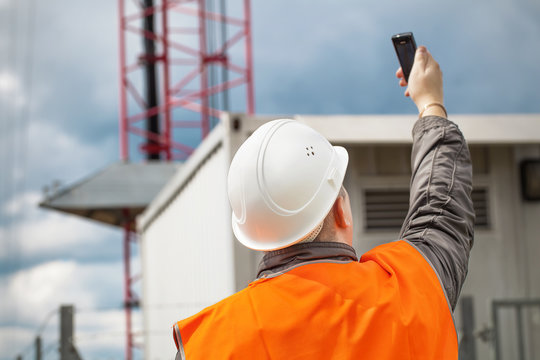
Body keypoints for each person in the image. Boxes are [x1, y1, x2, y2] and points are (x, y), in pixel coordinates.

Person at [172, 46, 475, 359]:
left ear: (257, 236)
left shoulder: (208, 343)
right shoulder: (413, 284)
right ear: (340, 211)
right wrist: (431, 104)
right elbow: (441, 211)